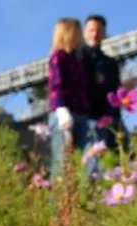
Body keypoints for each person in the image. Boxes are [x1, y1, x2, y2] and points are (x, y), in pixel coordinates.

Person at [48, 18, 92, 176]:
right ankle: (58, 191)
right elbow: (56, 84)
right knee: (62, 161)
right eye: (78, 32)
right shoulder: (58, 57)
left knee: (88, 158)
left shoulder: (77, 59)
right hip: (64, 114)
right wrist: (61, 109)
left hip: (81, 113)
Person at [83, 14, 129, 155]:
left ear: (104, 34)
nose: (95, 34)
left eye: (99, 31)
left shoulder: (110, 63)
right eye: (91, 30)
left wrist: (115, 119)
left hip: (108, 119)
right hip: (86, 119)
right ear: (84, 32)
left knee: (119, 154)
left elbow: (115, 92)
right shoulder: (77, 59)